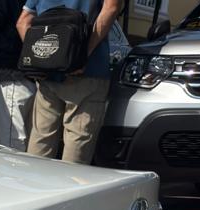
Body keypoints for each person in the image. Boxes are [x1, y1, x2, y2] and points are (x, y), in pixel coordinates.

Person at [18, 0, 122, 163]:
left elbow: (23, 21)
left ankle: (33, 185)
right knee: (75, 158)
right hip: (88, 74)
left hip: (49, 76)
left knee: (39, 148)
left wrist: (40, 58)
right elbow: (111, 7)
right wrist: (80, 55)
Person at [0, 0, 36, 150]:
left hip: (37, 76)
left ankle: (16, 171)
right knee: (15, 139)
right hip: (15, 74)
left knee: (21, 138)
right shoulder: (7, 3)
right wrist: (20, 48)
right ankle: (16, 171)